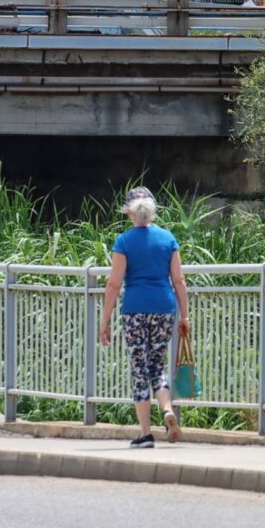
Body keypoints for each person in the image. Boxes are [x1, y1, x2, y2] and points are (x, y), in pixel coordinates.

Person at [99, 187, 190, 448]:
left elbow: (114, 285)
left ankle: (146, 433)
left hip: (135, 310)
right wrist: (185, 315)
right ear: (152, 210)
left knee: (140, 370)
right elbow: (179, 280)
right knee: (157, 366)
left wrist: (104, 321)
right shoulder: (167, 238)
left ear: (128, 211)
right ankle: (167, 410)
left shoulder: (124, 241)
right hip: (164, 307)